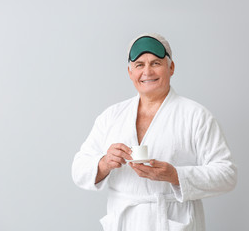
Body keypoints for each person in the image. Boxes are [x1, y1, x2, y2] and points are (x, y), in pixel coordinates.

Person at [72, 33, 237, 231]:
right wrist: (104, 163)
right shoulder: (112, 116)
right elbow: (78, 169)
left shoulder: (195, 115)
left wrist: (176, 175)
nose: (147, 71)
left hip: (171, 221)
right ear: (130, 72)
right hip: (124, 222)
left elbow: (227, 174)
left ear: (171, 67)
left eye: (156, 63)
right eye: (139, 65)